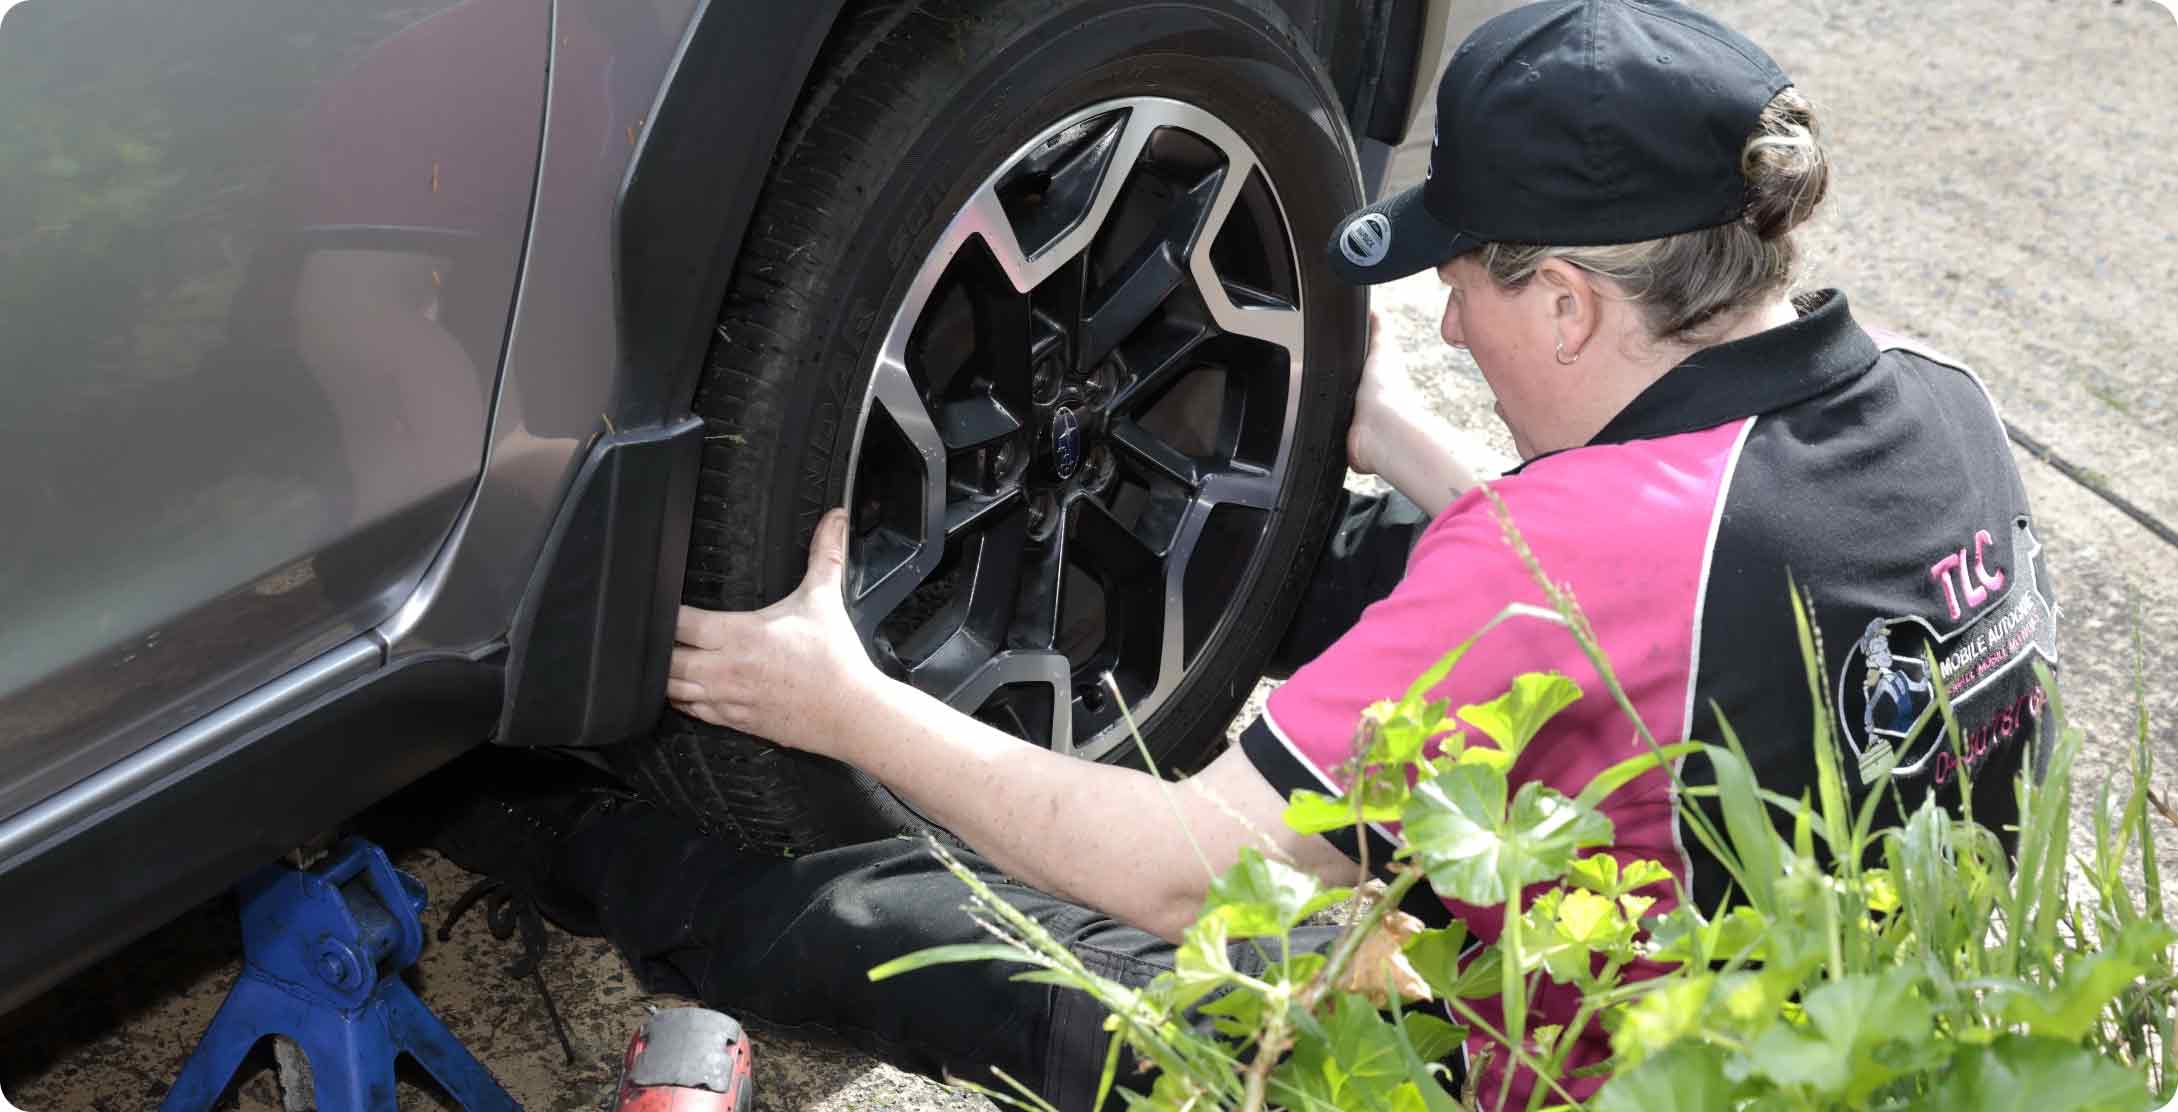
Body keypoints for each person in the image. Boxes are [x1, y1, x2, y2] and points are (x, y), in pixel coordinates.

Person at [428, 1, 2055, 1108]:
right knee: (1352, 548)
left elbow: (1184, 870)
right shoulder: (1936, 398)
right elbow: (1636, 587)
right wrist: (1405, 436)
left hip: (1536, 1070)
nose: (1440, 308)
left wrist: (841, 704)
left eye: (1465, 278)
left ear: (1566, 297)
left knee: (892, 914)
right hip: (1759, 989)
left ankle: (505, 818)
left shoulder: (1577, 551)